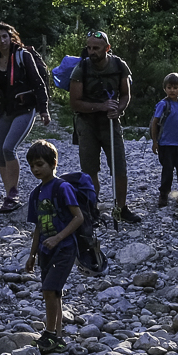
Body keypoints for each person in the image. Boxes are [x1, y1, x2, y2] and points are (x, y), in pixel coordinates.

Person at [0, 21, 52, 213]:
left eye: (5, 36)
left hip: (25, 109)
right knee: (0, 153)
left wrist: (43, 109)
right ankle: (9, 197)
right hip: (6, 112)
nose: (2, 40)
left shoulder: (23, 56)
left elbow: (38, 84)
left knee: (8, 148)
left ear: (11, 37)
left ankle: (13, 193)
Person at [68, 29, 142, 224]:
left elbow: (126, 94)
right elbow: (74, 102)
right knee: (90, 169)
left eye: (96, 48)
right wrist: (100, 106)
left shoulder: (119, 66)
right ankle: (92, 208)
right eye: (89, 48)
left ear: (107, 48)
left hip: (110, 122)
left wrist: (119, 108)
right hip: (87, 123)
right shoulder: (81, 69)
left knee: (119, 167)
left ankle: (121, 208)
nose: (92, 52)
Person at [23, 140, 85, 353]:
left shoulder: (62, 187)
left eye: (40, 164)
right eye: (32, 165)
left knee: (49, 289)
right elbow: (38, 227)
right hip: (45, 250)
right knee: (54, 293)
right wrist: (32, 255)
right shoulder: (36, 194)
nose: (35, 169)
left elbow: (78, 218)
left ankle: (49, 334)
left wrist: (58, 238)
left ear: (53, 163)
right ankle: (57, 337)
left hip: (65, 247)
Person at [148, 73, 178, 208]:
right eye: (169, 87)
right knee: (167, 170)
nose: (172, 90)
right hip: (165, 144)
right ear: (165, 88)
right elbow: (155, 122)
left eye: (175, 87)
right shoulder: (163, 104)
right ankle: (164, 194)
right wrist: (155, 141)